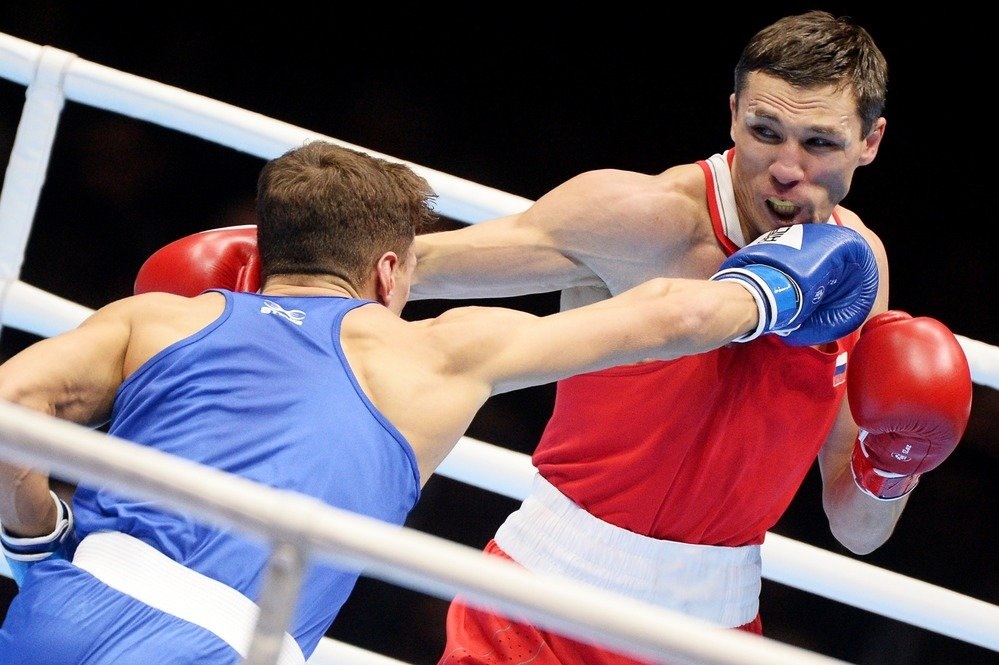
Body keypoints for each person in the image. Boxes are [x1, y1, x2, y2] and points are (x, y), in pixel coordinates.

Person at [0, 140, 881, 664]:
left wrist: (33, 533)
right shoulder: (432, 353)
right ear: (391, 271)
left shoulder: (154, 319)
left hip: (54, 610)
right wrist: (777, 288)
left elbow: (8, 410)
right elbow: (667, 314)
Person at [408, 11, 975, 665]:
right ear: (733, 113)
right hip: (541, 608)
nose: (785, 168)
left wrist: (893, 465)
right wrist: (275, 267)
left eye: (818, 142)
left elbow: (855, 529)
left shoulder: (859, 270)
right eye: (765, 132)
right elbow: (414, 270)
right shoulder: (646, 218)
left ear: (869, 141)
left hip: (715, 629)